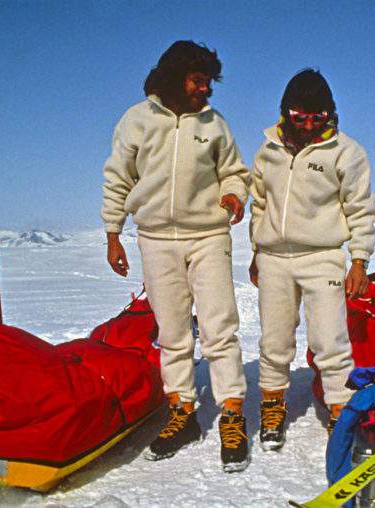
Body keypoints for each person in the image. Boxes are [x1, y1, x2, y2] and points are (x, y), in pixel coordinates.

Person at [101, 40, 250, 472]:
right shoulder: (136, 120)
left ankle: (232, 414)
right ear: (174, 77)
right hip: (155, 238)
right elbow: (118, 176)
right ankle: (182, 411)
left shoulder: (214, 123)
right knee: (171, 331)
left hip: (208, 235)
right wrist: (113, 232)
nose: (206, 89)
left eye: (208, 82)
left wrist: (234, 194)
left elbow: (235, 172)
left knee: (219, 327)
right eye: (198, 80)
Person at [248, 69, 375, 451]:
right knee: (275, 339)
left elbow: (360, 209)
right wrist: (256, 251)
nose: (307, 125)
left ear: (329, 113)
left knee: (329, 339)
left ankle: (341, 411)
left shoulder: (346, 151)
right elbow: (260, 204)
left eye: (317, 117)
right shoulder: (268, 150)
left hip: (322, 257)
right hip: (274, 258)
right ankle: (273, 404)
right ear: (286, 112)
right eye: (299, 116)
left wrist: (359, 260)